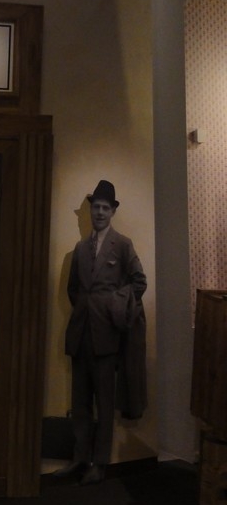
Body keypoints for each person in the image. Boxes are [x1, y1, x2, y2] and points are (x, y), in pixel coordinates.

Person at [55, 180, 147, 485]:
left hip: (107, 338)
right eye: (96, 207)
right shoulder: (80, 249)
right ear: (90, 210)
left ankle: (100, 463)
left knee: (104, 404)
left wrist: (112, 306)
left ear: (113, 212)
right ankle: (80, 458)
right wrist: (87, 310)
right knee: (80, 403)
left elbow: (139, 282)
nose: (100, 212)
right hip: (80, 335)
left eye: (106, 208)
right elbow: (73, 290)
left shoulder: (123, 245)